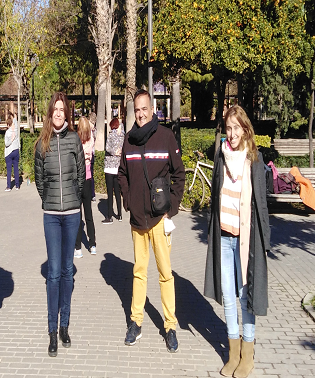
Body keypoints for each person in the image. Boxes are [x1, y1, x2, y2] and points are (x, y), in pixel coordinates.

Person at [204, 105, 270, 378]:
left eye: (236, 128)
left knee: (245, 297)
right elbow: (216, 194)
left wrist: (265, 240)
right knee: (228, 298)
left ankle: (248, 354)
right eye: (227, 128)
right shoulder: (221, 156)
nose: (231, 134)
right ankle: (232, 353)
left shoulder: (254, 159)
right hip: (223, 236)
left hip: (245, 240)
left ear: (245, 129)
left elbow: (261, 204)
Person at [118, 89, 185, 352]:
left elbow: (179, 174)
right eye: (137, 109)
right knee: (139, 272)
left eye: (145, 108)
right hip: (137, 221)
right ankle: (136, 322)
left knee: (165, 274)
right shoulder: (129, 140)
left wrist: (172, 208)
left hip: (160, 220)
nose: (141, 113)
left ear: (153, 108)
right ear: (133, 111)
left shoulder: (166, 137)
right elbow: (122, 173)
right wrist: (128, 200)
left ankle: (170, 325)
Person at [34, 92, 85, 358]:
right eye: (54, 109)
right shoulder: (41, 143)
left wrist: (74, 198)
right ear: (49, 112)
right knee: (53, 273)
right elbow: (39, 180)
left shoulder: (74, 139)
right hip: (51, 215)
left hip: (73, 213)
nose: (58, 113)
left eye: (62, 109)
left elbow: (80, 173)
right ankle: (52, 331)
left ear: (67, 113)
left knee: (67, 271)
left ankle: (65, 325)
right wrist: (50, 200)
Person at [74, 116, 96, 258]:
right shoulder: (91, 140)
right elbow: (92, 156)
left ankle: (78, 248)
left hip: (77, 180)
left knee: (77, 215)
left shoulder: (76, 141)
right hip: (88, 179)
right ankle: (92, 244)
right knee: (89, 214)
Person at [102, 117, 124, 224]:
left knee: (110, 193)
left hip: (110, 167)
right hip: (118, 166)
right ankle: (119, 214)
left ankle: (110, 216)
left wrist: (114, 152)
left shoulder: (111, 135)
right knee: (118, 192)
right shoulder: (122, 135)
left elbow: (107, 148)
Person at [4, 113, 20, 191]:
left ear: (8, 124)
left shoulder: (7, 132)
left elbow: (6, 144)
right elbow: (15, 121)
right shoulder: (16, 129)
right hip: (16, 150)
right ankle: (17, 186)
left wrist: (11, 139)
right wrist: (14, 116)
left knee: (9, 170)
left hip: (9, 152)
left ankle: (9, 186)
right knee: (16, 169)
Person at [88, 112, 97, 201]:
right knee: (89, 174)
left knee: (89, 174)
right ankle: (91, 193)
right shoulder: (91, 130)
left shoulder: (92, 130)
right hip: (90, 153)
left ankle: (91, 193)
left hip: (90, 153)